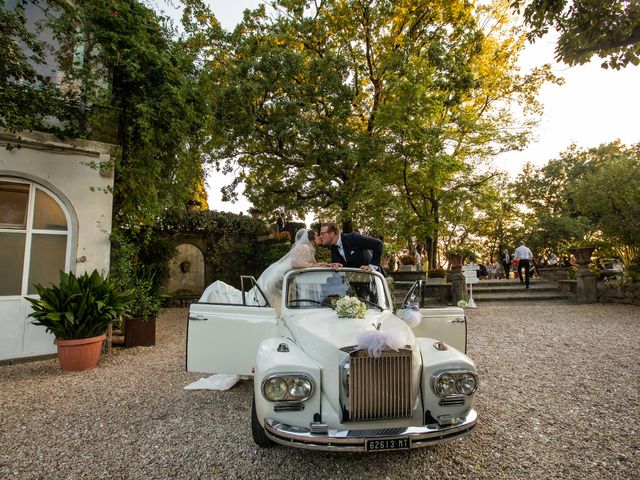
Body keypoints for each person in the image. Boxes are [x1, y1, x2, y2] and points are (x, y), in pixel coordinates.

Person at [199, 228, 330, 313]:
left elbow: (309, 264)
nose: (320, 237)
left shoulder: (308, 249)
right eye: (318, 235)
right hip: (276, 276)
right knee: (259, 302)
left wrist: (325, 264)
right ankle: (218, 292)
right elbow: (296, 263)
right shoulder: (305, 248)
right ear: (311, 239)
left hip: (277, 273)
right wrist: (316, 266)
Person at [319, 222, 384, 274]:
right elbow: (339, 267)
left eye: (322, 234)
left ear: (332, 233)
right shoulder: (333, 248)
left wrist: (372, 266)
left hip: (373, 277)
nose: (320, 237)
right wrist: (336, 265)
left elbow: (378, 244)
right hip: (357, 282)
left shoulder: (353, 238)